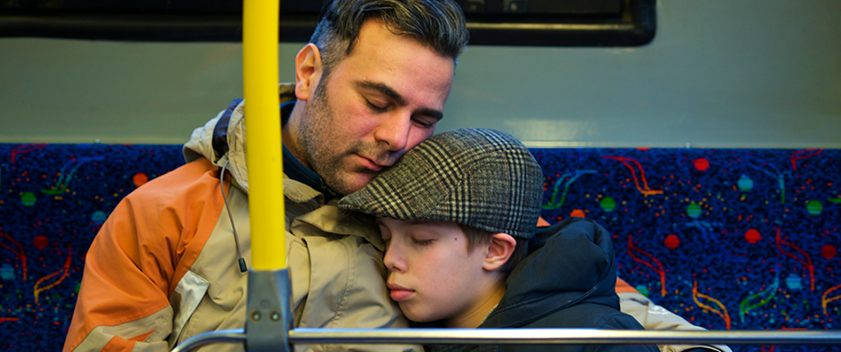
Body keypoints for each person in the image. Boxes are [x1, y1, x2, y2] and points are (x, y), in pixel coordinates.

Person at [64, 1, 730, 351]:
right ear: (307, 73)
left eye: (423, 117)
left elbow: (583, 298)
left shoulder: (439, 197)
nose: (396, 139)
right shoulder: (166, 216)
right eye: (377, 103)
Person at [339, 128, 659, 352]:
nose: (390, 258)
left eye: (421, 240)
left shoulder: (595, 338)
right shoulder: (405, 331)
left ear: (495, 251)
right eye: (385, 236)